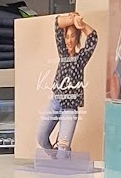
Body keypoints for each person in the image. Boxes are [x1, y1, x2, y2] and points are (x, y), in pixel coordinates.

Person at [37, 12, 97, 157]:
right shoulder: (62, 53)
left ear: (77, 39)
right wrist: (72, 19)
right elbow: (57, 23)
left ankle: (62, 158)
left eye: (73, 36)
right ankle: (56, 158)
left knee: (63, 150)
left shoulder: (81, 58)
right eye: (67, 37)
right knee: (41, 138)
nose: (69, 41)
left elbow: (93, 37)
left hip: (70, 108)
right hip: (55, 101)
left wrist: (81, 25)